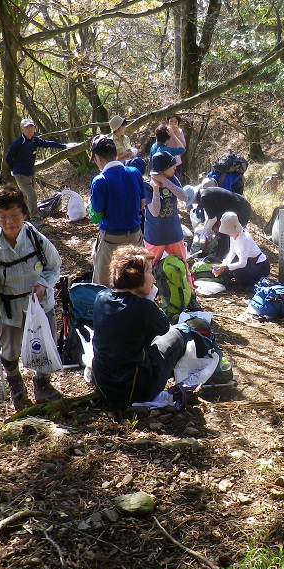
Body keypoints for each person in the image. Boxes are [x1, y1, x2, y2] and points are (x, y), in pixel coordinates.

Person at [0, 185, 62, 411]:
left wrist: (43, 284)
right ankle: (16, 386)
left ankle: (42, 384)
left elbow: (55, 266)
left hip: (40, 304)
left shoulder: (35, 238)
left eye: (14, 216)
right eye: (3, 217)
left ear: (24, 214)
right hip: (8, 308)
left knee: (45, 347)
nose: (9, 222)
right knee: (9, 352)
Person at [91, 246, 187, 407]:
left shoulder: (101, 297)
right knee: (177, 336)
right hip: (135, 390)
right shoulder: (143, 307)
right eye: (150, 272)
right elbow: (164, 328)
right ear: (136, 277)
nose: (154, 279)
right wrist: (149, 299)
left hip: (103, 385)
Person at [88, 135, 147, 287]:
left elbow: (96, 216)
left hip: (111, 239)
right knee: (136, 278)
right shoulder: (135, 173)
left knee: (104, 282)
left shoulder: (100, 180)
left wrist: (90, 206)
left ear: (98, 158)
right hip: (135, 235)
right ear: (115, 154)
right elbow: (142, 205)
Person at [4, 118, 68, 225]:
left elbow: (48, 143)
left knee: (27, 196)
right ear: (22, 130)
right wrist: (13, 170)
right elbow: (8, 158)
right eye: (27, 128)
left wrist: (64, 146)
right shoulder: (18, 143)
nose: (30, 130)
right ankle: (35, 218)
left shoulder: (34, 140)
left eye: (31, 127)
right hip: (20, 173)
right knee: (32, 195)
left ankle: (26, 216)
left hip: (31, 172)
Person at [144, 151, 192, 267]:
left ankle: (188, 285)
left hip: (174, 234)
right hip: (155, 236)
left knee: (182, 266)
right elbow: (155, 212)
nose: (175, 167)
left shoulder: (172, 179)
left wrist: (165, 182)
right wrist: (156, 189)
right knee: (149, 267)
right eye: (172, 165)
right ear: (163, 168)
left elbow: (184, 197)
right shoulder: (146, 185)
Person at [211, 212, 270, 288]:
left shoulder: (245, 239)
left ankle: (253, 285)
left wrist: (226, 267)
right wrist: (223, 264)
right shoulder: (232, 236)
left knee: (238, 272)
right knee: (229, 270)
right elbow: (232, 251)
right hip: (249, 263)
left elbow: (242, 263)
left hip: (260, 266)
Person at [166, 115, 187, 180]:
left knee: (176, 181)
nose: (173, 123)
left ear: (178, 124)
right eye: (171, 121)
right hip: (166, 161)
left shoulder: (180, 131)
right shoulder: (164, 131)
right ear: (168, 122)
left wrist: (178, 136)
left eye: (175, 122)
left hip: (177, 162)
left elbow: (183, 145)